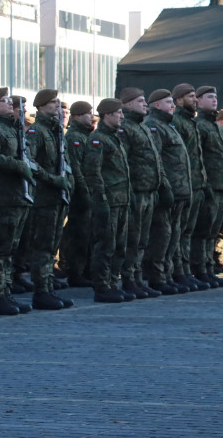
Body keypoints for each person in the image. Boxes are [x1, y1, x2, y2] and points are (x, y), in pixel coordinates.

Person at [0, 87, 35, 316]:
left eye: (10, 100)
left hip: (16, 196)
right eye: (4, 101)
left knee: (10, 249)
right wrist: (16, 165)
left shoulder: (13, 128)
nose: (10, 104)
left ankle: (6, 292)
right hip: (1, 197)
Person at [24, 89, 75, 310]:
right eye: (53, 102)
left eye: (58, 102)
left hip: (57, 197)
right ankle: (41, 291)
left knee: (52, 245)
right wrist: (52, 180)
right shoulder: (37, 131)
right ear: (42, 106)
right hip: (44, 197)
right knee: (43, 247)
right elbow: (30, 162)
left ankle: (48, 287)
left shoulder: (56, 131)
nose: (58, 106)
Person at [116, 88, 165, 299]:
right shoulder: (125, 128)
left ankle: (137, 278)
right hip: (135, 191)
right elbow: (123, 162)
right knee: (132, 239)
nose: (145, 104)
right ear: (127, 105)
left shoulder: (142, 127)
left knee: (143, 239)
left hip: (148, 190)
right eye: (140, 101)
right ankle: (128, 279)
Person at [83, 98, 132, 303]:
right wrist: (101, 200)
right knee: (105, 246)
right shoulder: (98, 139)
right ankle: (102, 287)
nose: (122, 116)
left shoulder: (115, 138)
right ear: (107, 115)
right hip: (108, 201)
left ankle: (113, 282)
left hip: (121, 200)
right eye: (118, 113)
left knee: (119, 246)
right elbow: (93, 173)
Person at [143, 89, 192, 295]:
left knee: (173, 235)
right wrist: (164, 188)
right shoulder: (154, 126)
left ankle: (167, 275)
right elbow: (157, 161)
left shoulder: (168, 125)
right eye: (168, 102)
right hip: (167, 190)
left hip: (179, 191)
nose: (173, 105)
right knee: (161, 236)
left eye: (173, 102)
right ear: (156, 105)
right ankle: (157, 277)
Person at [191, 86, 223, 288]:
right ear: (198, 101)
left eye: (216, 96)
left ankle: (208, 268)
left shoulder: (218, 127)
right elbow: (197, 158)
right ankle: (199, 269)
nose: (214, 100)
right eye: (209, 97)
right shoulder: (199, 126)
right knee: (202, 231)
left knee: (213, 232)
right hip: (207, 186)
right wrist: (204, 184)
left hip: (221, 187)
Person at [172, 84, 207, 292]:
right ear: (179, 100)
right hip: (183, 186)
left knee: (189, 232)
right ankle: (179, 272)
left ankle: (186, 271)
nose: (195, 100)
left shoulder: (190, 122)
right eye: (191, 96)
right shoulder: (178, 121)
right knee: (180, 232)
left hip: (195, 184)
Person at [60, 102, 94, 287]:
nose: (91, 116)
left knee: (88, 234)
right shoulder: (74, 137)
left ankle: (86, 269)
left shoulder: (86, 135)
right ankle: (76, 271)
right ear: (77, 116)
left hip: (89, 192)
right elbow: (77, 168)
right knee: (79, 234)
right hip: (80, 194)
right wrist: (83, 191)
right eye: (87, 113)